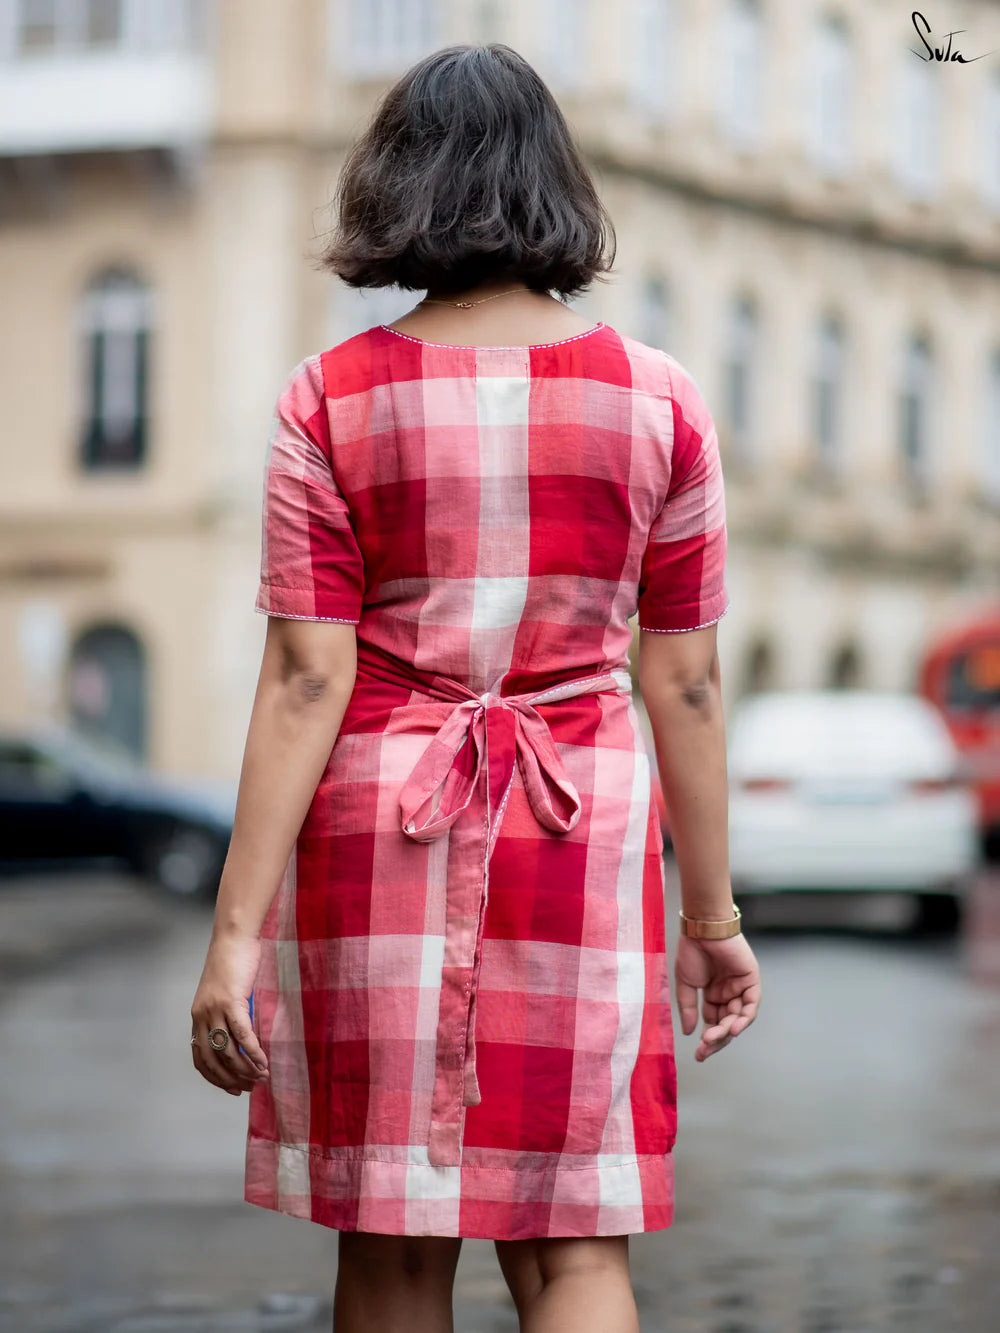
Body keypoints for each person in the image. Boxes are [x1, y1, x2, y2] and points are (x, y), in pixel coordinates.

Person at [189, 42, 761, 1333]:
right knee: (574, 1242)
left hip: (375, 835)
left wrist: (233, 939)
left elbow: (305, 679)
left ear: (394, 186)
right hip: (583, 834)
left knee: (395, 1244)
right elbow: (685, 683)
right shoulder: (662, 401)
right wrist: (711, 915)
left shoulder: (328, 397)